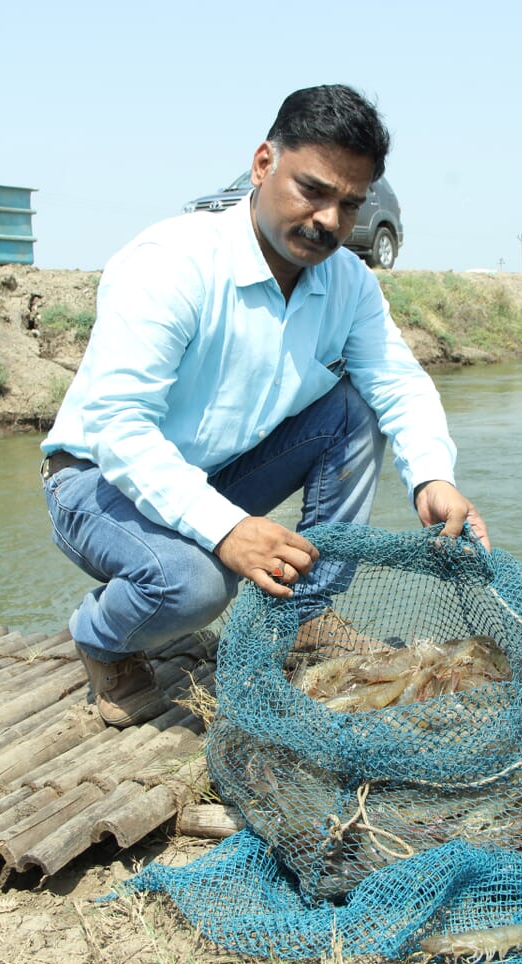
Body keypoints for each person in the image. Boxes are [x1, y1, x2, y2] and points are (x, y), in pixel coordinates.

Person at [40, 83, 489, 729]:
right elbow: (117, 425)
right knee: (195, 584)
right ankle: (101, 637)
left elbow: (397, 381)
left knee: (353, 409)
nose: (331, 220)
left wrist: (432, 474)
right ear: (262, 164)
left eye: (350, 202)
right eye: (313, 189)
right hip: (95, 480)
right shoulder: (172, 263)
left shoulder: (349, 282)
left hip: (214, 469)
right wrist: (225, 529)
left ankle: (312, 613)